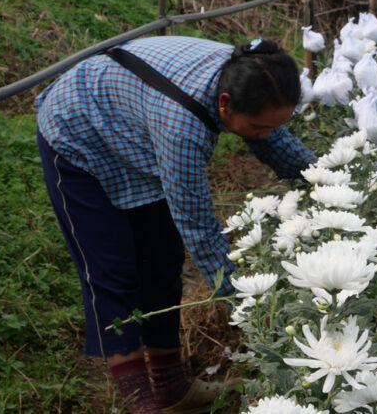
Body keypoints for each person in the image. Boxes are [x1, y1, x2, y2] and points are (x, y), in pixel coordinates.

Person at [35, 36, 316, 414]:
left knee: (162, 257)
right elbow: (199, 229)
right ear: (225, 105)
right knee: (112, 271)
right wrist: (245, 303)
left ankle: (171, 390)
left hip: (132, 132)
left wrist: (324, 179)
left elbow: (273, 140)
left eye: (273, 126)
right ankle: (140, 402)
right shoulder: (183, 128)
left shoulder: (251, 73)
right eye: (258, 126)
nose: (265, 134)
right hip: (79, 134)